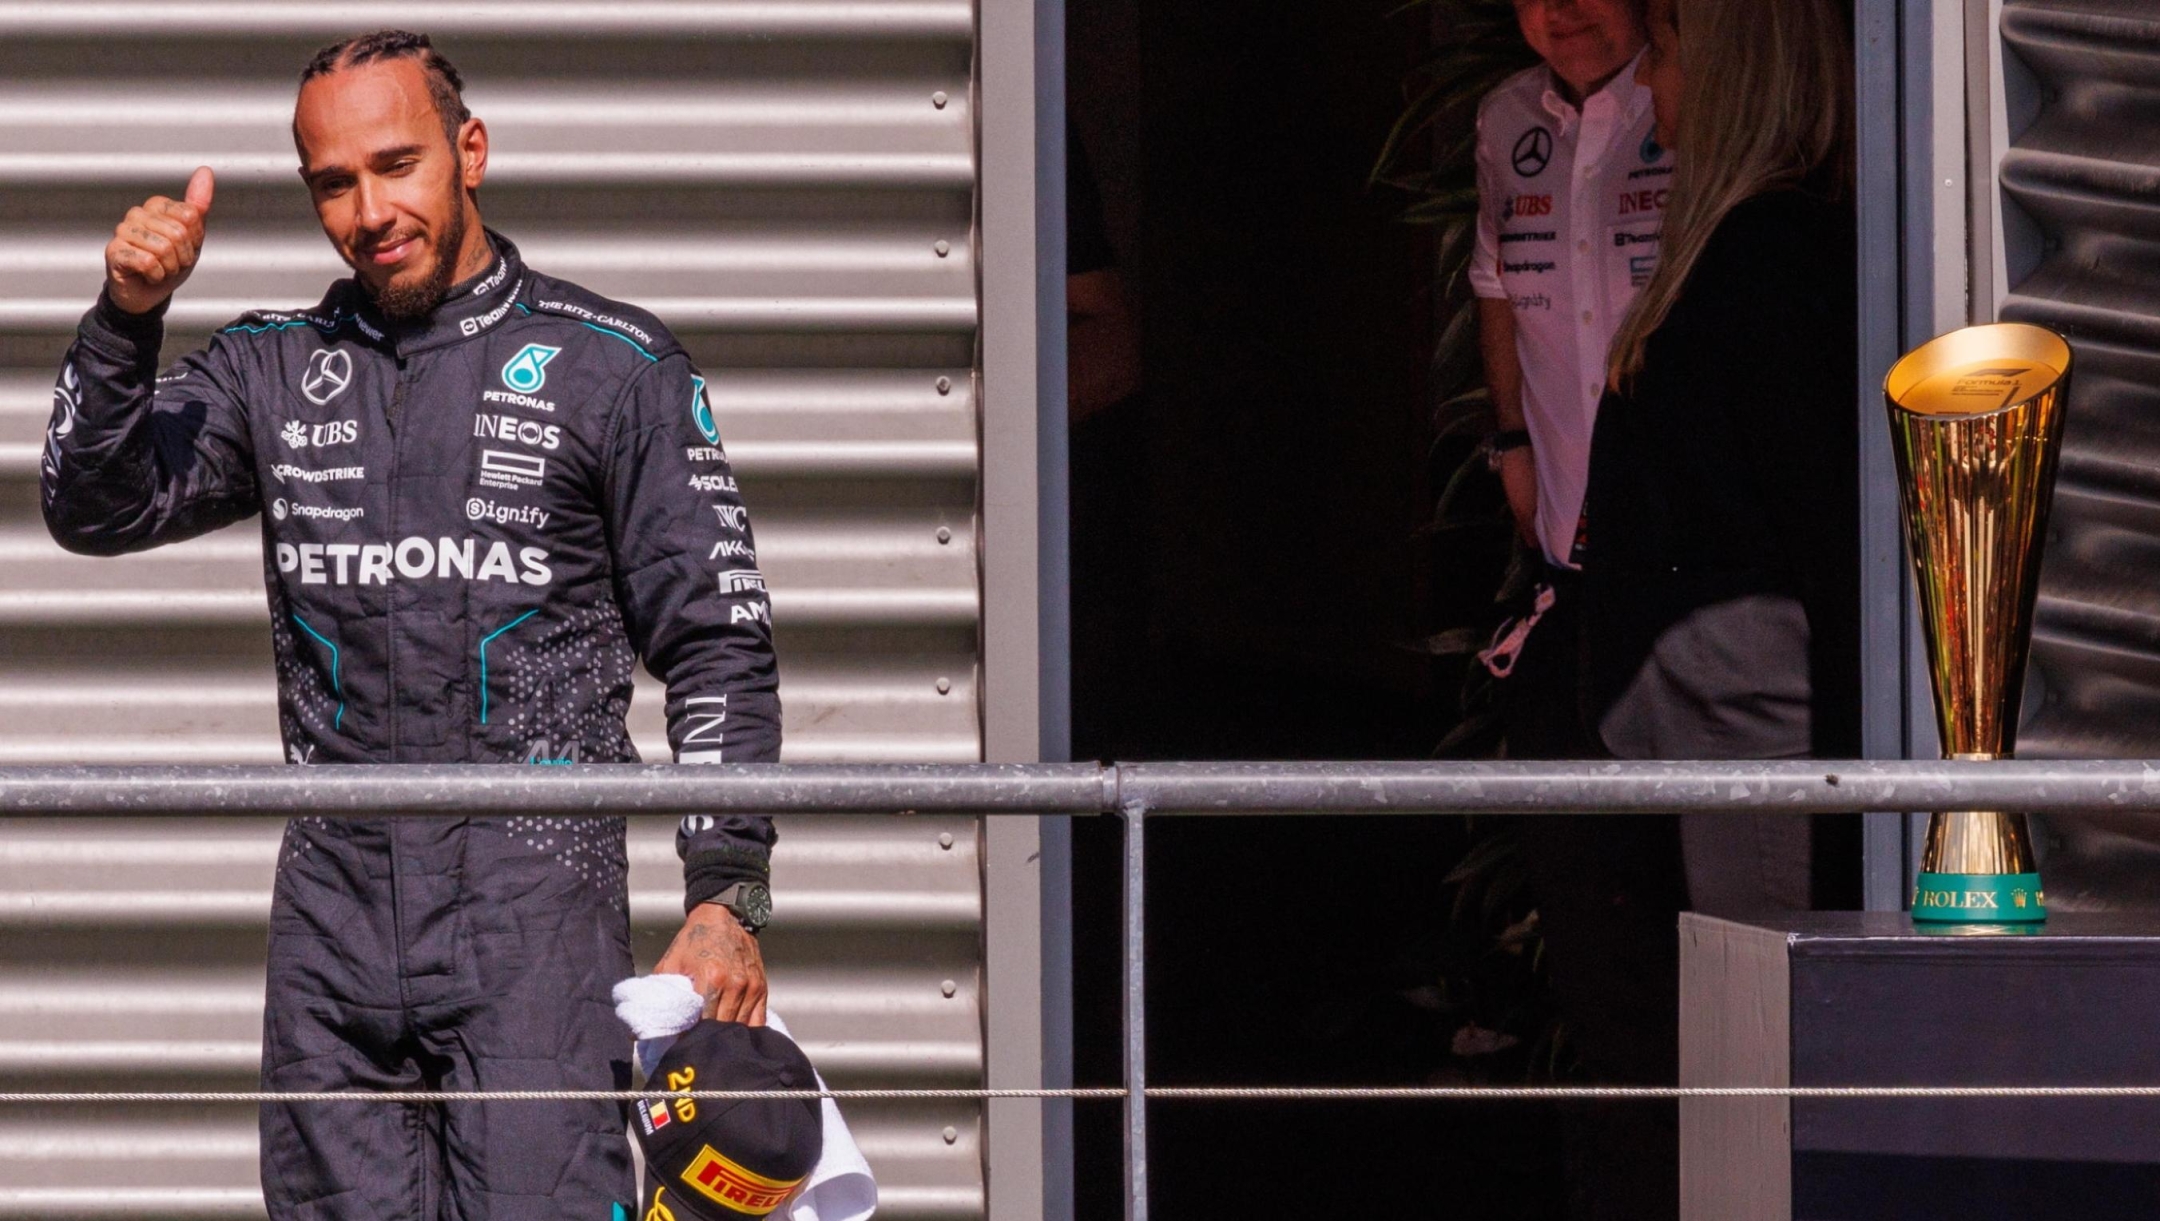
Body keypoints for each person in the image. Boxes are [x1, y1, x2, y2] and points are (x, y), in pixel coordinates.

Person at [41, 30, 780, 1219]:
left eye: (398, 165)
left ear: (469, 152)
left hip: (538, 916)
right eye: (335, 182)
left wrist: (727, 895)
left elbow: (718, 642)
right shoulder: (269, 372)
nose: (371, 209)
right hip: (333, 922)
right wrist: (129, 315)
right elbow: (93, 504)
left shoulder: (614, 367)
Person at [1466, 4, 1686, 1218]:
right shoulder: (1504, 120)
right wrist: (1508, 437)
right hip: (1569, 590)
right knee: (1598, 958)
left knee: (1690, 938)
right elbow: (1495, 283)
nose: (1568, 9)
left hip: (1692, 605)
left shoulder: (1698, 104)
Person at [1583, 0, 1859, 915]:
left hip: (1753, 726)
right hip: (1719, 719)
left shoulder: (1770, 253)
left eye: (1662, 52)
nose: (1650, 80)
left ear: (1733, 76)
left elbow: (1817, 513)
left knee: (1768, 1031)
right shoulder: (1749, 243)